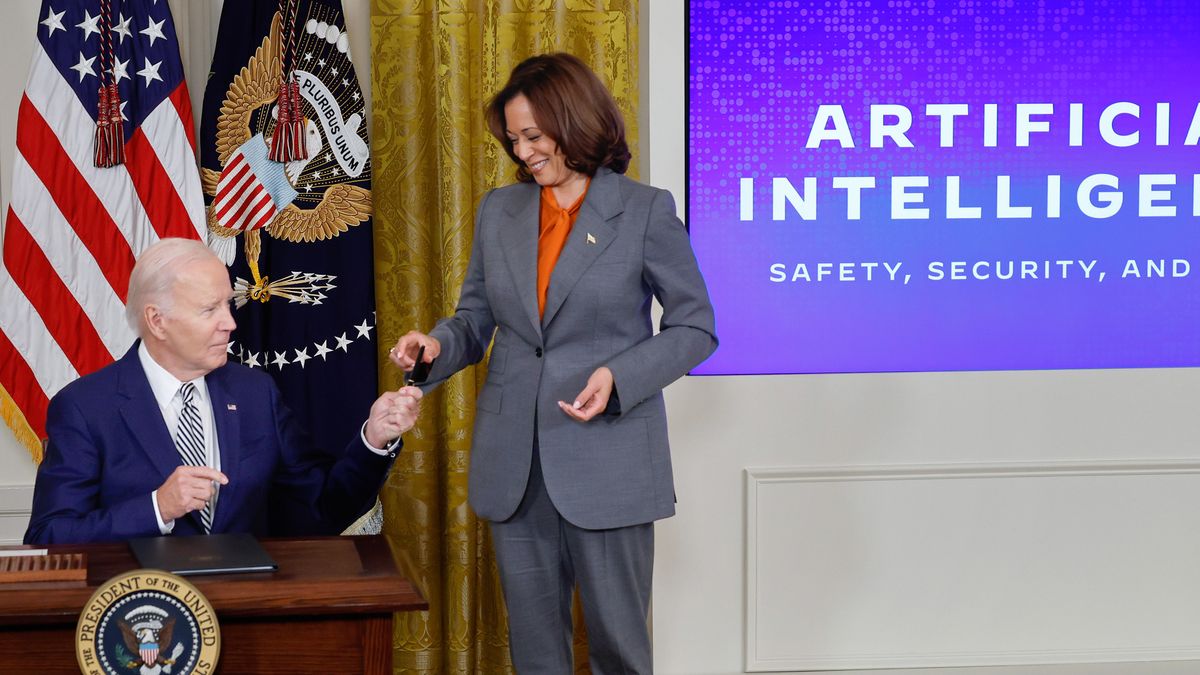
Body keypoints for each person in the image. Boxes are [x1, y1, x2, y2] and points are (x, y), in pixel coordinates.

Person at [388, 53, 717, 674]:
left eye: (534, 136)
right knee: (537, 656)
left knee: (619, 650)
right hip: (516, 467)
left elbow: (696, 328)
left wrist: (620, 377)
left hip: (609, 460)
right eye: (514, 140)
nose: (524, 152)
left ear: (574, 120)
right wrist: (433, 348)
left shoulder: (645, 211)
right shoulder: (500, 212)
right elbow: (475, 320)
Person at [25, 238, 421, 545]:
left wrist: (373, 439)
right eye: (209, 310)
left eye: (228, 306)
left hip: (247, 620)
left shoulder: (255, 394)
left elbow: (322, 507)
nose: (230, 324)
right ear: (157, 321)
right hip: (143, 625)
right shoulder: (84, 408)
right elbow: (49, 537)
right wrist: (157, 508)